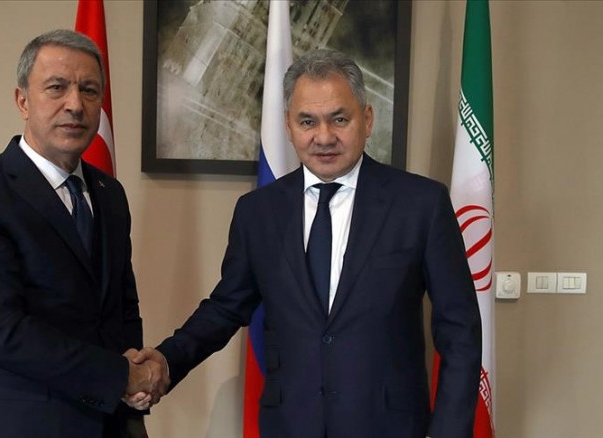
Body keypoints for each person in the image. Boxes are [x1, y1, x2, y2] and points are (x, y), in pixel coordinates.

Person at [134, 49, 482, 438]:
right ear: (288, 126)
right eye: (307, 122)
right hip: (290, 426)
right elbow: (226, 307)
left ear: (367, 119)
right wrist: (166, 360)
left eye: (339, 119)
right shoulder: (257, 212)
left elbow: (460, 330)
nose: (324, 137)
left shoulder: (421, 204)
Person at [0, 29, 166, 438]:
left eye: (89, 90)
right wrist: (120, 377)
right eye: (56, 87)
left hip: (108, 419)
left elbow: (122, 307)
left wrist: (133, 382)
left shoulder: (109, 193)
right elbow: (1, 331)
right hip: (17, 424)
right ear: (23, 101)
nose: (75, 104)